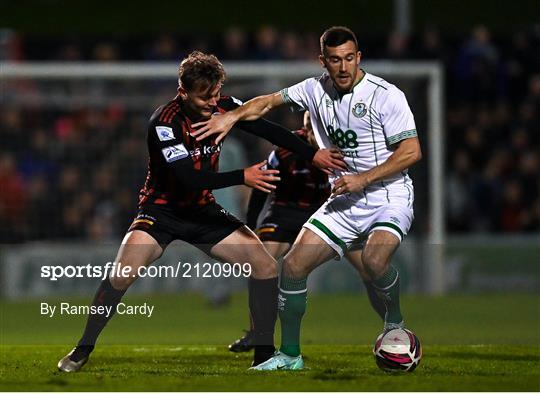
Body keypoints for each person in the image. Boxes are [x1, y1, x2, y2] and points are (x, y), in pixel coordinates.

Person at [57, 50, 346, 372]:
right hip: (161, 212)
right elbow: (188, 178)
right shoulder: (165, 122)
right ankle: (82, 348)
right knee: (122, 274)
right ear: (183, 93)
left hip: (202, 211)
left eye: (216, 93)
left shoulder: (222, 106)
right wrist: (243, 176)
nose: (212, 102)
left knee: (264, 265)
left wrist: (313, 154)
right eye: (204, 96)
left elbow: (269, 130)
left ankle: (263, 355)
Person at [191, 26, 422, 370]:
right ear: (323, 61)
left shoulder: (387, 96)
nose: (343, 68)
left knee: (374, 262)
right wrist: (233, 115)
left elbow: (411, 151)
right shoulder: (313, 89)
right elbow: (267, 102)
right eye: (334, 60)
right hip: (345, 197)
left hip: (388, 192)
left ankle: (394, 321)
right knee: (293, 266)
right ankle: (290, 355)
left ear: (358, 58)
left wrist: (364, 178)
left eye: (348, 59)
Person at [228, 111, 389, 353]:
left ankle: (393, 328)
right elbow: (262, 186)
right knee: (261, 262)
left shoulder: (346, 152)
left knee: (369, 267)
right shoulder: (284, 151)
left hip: (329, 213)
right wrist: (250, 223)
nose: (315, 136)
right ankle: (257, 333)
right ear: (304, 130)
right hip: (285, 213)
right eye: (311, 130)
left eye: (320, 130)